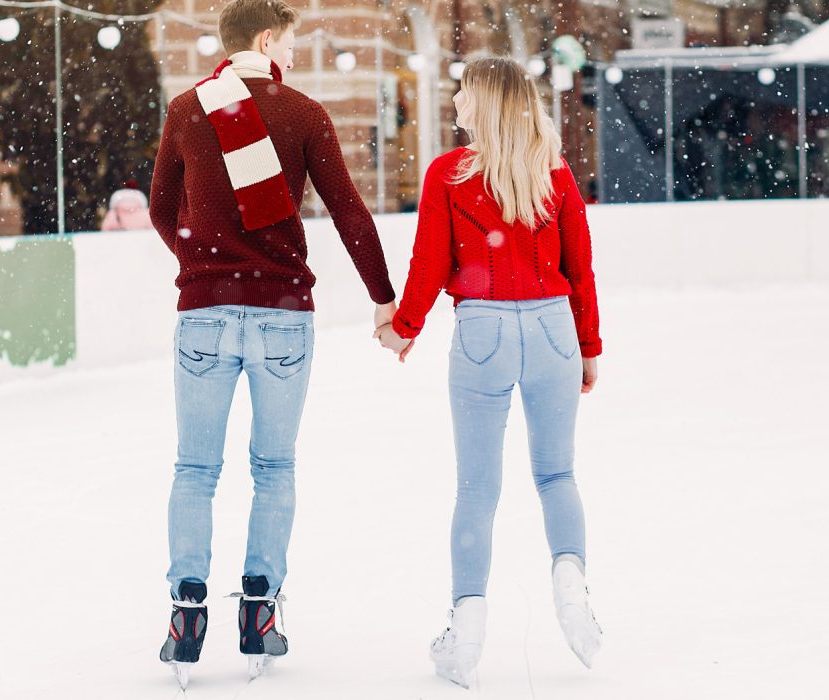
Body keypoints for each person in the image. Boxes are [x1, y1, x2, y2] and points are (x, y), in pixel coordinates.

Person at [148, 0, 398, 687]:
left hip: (203, 313)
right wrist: (383, 296)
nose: (290, 58)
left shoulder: (189, 108)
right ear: (266, 40)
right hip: (283, 313)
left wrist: (199, 264)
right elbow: (348, 207)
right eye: (287, 44)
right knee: (274, 467)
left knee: (195, 470)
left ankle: (187, 608)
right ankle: (259, 608)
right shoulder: (304, 112)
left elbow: (161, 206)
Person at [375, 57, 604, 687]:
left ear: (485, 103)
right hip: (554, 326)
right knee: (557, 473)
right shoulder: (551, 172)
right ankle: (571, 587)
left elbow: (428, 264)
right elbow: (579, 268)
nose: (453, 100)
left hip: (483, 329)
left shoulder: (450, 175)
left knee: (478, 488)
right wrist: (587, 345)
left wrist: (404, 327)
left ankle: (468, 624)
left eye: (462, 92)